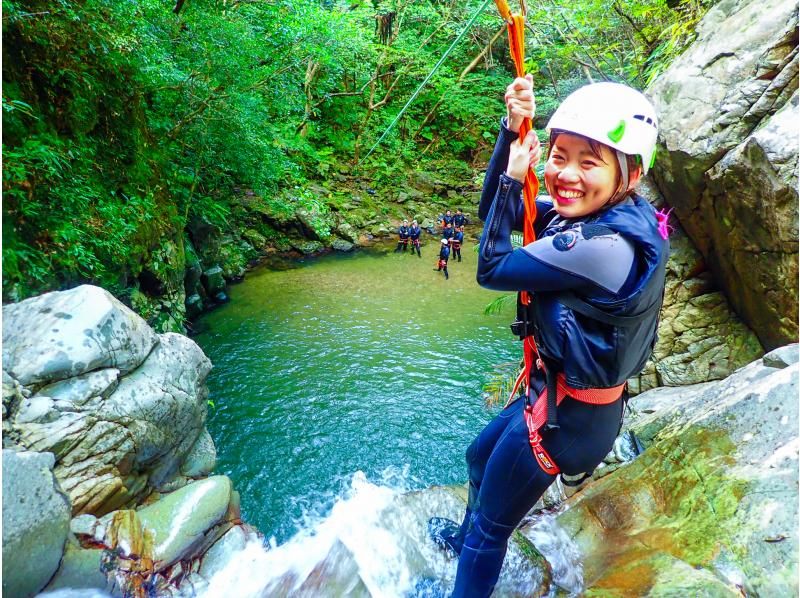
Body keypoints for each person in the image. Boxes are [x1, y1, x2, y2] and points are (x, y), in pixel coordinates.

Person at [429, 75, 669, 597]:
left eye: (590, 162)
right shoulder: (592, 219)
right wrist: (509, 131)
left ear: (629, 172)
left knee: (493, 529)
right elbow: (497, 212)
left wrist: (519, 178)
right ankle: (465, 539)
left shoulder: (605, 247)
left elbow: (491, 267)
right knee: (477, 457)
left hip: (571, 417)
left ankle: (471, 558)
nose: (566, 175)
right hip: (556, 394)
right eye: (559, 156)